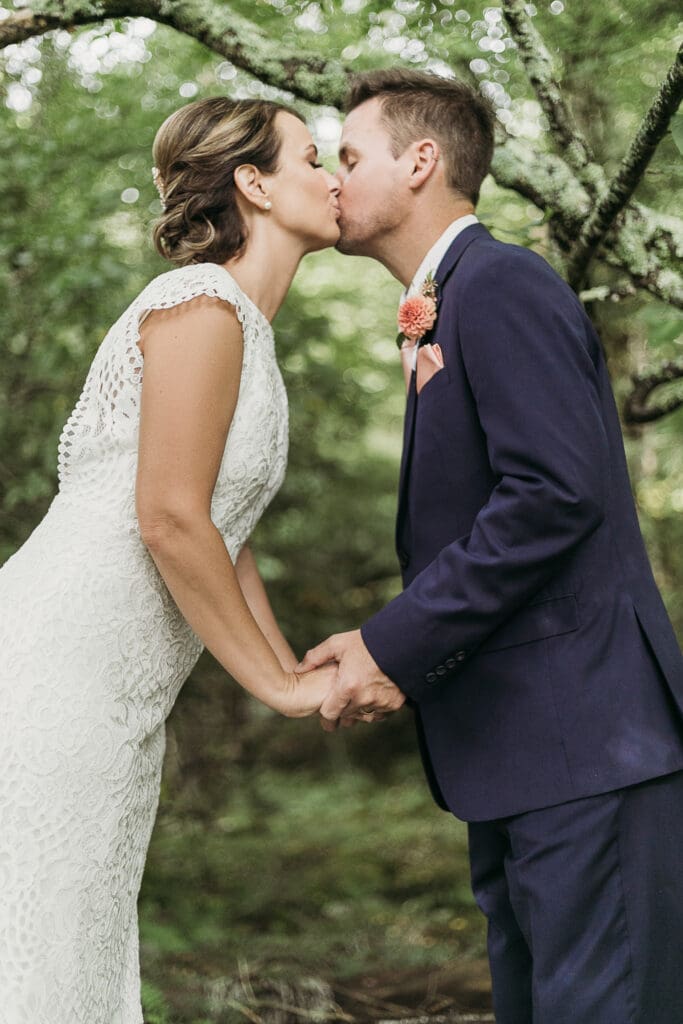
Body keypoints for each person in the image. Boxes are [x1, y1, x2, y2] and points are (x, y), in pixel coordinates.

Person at [298, 69, 683, 1022]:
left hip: (587, 745)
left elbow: (552, 497)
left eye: (349, 156)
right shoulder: (451, 300)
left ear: (421, 161)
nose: (334, 179)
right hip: (521, 747)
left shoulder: (502, 283)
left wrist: (390, 644)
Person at [0, 95, 342, 1022]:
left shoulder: (246, 329)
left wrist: (292, 670)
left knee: (80, 937)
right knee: (42, 947)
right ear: (254, 183)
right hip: (56, 680)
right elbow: (169, 519)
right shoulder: (202, 305)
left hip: (116, 703)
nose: (336, 176)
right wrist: (274, 691)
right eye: (316, 158)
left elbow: (224, 537)